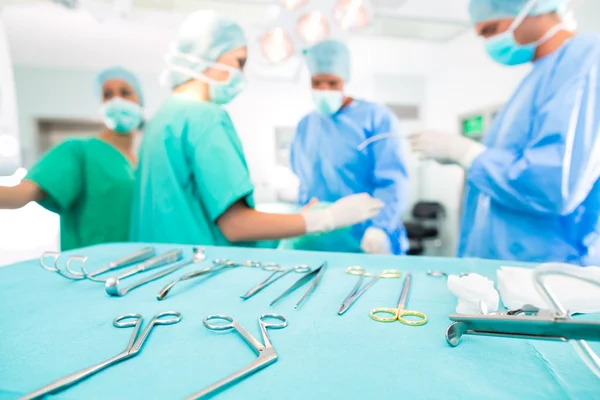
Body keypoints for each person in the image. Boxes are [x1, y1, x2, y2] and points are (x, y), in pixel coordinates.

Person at [130, 11, 383, 247]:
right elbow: (236, 225)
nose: (241, 73)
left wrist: (297, 220)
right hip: (193, 275)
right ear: (208, 55)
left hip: (159, 272)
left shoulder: (161, 119)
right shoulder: (205, 118)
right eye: (239, 62)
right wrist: (326, 218)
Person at [410, 0, 600, 265]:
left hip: (552, 274)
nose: (489, 42)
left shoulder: (586, 61)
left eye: (491, 29)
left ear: (533, 8)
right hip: (511, 268)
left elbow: (555, 185)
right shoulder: (539, 75)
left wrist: (467, 154)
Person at [0, 67, 144, 251]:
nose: (117, 100)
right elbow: (21, 194)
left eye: (125, 92)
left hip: (140, 265)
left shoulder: (142, 160)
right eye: (107, 94)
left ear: (140, 99)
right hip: (90, 269)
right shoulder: (78, 150)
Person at [290, 40, 409, 255]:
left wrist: (379, 229)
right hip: (319, 238)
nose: (324, 89)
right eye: (317, 82)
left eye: (332, 83)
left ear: (344, 80)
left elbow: (392, 182)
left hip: (366, 237)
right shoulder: (305, 125)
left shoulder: (376, 118)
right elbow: (304, 183)